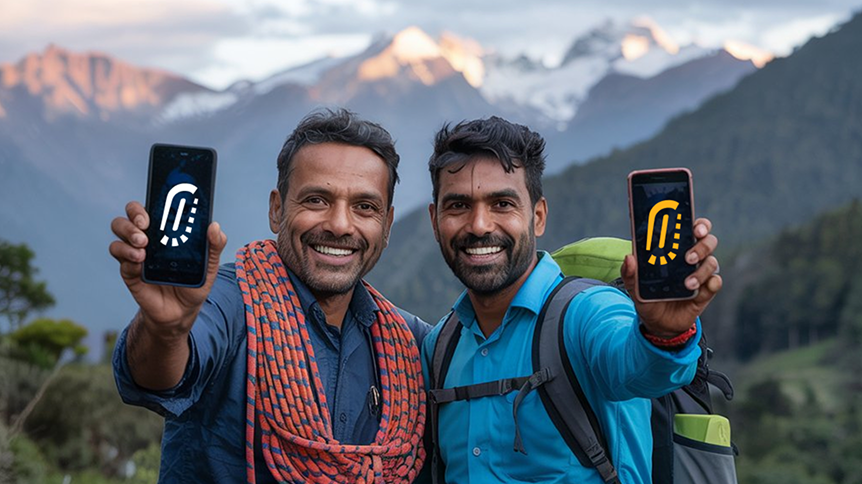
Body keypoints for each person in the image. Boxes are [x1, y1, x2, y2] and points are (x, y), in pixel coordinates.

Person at [110, 108, 430, 484]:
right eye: (316, 200)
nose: (340, 225)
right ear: (277, 210)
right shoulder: (229, 301)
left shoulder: (411, 342)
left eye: (364, 207)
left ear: (387, 225)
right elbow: (155, 379)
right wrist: (165, 330)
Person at [420, 117, 721, 484]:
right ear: (435, 221)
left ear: (538, 216)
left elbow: (641, 369)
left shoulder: (585, 314)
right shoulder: (441, 346)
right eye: (458, 206)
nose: (479, 224)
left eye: (502, 203)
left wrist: (663, 333)